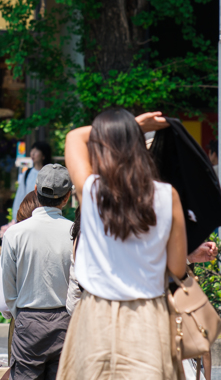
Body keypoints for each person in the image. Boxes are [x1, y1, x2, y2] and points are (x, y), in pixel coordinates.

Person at [57, 109, 187, 380]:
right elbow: (177, 266)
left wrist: (132, 126)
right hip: (148, 315)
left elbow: (73, 138)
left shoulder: (92, 191)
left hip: (95, 314)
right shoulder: (167, 195)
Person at [0, 165, 74, 380]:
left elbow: (7, 286)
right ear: (67, 197)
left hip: (28, 321)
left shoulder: (15, 233)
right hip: (65, 321)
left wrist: (21, 314)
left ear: (35, 189)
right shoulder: (74, 232)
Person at [0, 191, 40, 319]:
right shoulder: (67, 232)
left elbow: (2, 301)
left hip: (24, 320)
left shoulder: (13, 237)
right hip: (62, 322)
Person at [11, 141, 52, 222]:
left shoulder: (50, 174)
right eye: (32, 150)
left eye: (36, 151)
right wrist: (15, 217)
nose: (32, 153)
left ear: (43, 156)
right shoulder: (27, 173)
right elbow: (20, 195)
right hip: (28, 217)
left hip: (46, 217)